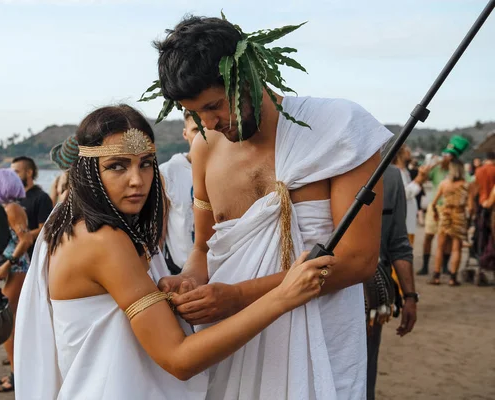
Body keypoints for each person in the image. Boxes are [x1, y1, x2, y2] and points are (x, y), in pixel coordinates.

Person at [14, 105, 334, 399]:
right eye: (117, 166)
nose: (137, 180)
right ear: (88, 171)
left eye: (145, 164)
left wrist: (169, 293)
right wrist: (283, 296)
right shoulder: (103, 240)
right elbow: (179, 359)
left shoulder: (81, 225)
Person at [147, 16, 392, 399]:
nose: (209, 123)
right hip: (232, 345)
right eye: (195, 113)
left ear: (246, 73)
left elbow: (359, 259)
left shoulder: (338, 128)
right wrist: (191, 281)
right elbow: (202, 249)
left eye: (214, 105)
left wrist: (239, 296)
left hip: (321, 343)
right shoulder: (205, 148)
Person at [366, 164, 418, 400]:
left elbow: (398, 242)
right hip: (313, 293)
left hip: (370, 297)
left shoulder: (390, 175)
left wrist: (410, 297)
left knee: (363, 375)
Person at [0, 169, 32, 393]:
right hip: (14, 268)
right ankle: (16, 373)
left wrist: (8, 263)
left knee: (8, 326)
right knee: (10, 324)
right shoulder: (6, 209)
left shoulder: (12, 208)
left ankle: (17, 377)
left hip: (18, 269)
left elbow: (26, 239)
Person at [419, 136, 471, 276]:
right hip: (435, 208)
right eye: (445, 153)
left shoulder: (460, 172)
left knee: (447, 241)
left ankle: (444, 268)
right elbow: (423, 178)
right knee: (429, 236)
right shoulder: (438, 169)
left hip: (447, 209)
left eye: (449, 154)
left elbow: (469, 184)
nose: (445, 156)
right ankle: (425, 266)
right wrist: (433, 165)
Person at [159, 110, 200, 274]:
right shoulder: (167, 172)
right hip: (179, 272)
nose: (203, 135)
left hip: (225, 274)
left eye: (207, 129)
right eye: (196, 130)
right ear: (185, 134)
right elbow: (159, 234)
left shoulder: (229, 169)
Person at [429, 159, 474, 286]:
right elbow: (470, 207)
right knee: (456, 249)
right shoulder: (466, 185)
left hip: (445, 215)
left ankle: (436, 276)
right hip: (459, 216)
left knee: (440, 247)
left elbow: (434, 203)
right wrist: (469, 220)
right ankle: (452, 278)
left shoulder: (444, 184)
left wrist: (436, 214)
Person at [11, 156, 53, 258]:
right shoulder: (12, 198)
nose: (12, 177)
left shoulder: (41, 198)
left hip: (32, 255)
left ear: (29, 173)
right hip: (12, 253)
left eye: (16, 172)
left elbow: (45, 228)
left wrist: (23, 237)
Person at [392, 144, 430, 245]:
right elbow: (404, 193)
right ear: (399, 154)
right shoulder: (396, 172)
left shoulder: (405, 171)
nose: (410, 154)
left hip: (409, 220)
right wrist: (419, 178)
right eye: (407, 151)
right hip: (402, 223)